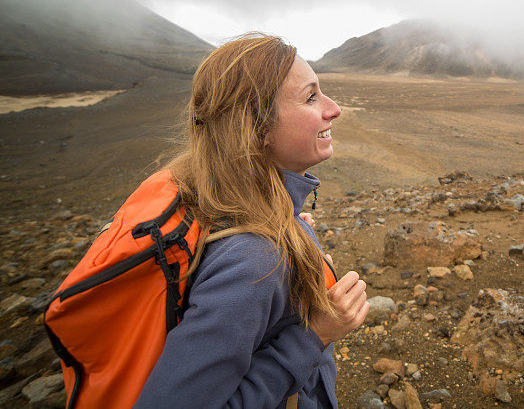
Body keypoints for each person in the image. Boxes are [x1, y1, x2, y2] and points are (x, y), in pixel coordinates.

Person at [134, 34, 368, 408]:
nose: (333, 108)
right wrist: (315, 335)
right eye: (310, 97)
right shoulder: (253, 260)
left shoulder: (240, 208)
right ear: (257, 129)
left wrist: (289, 225)